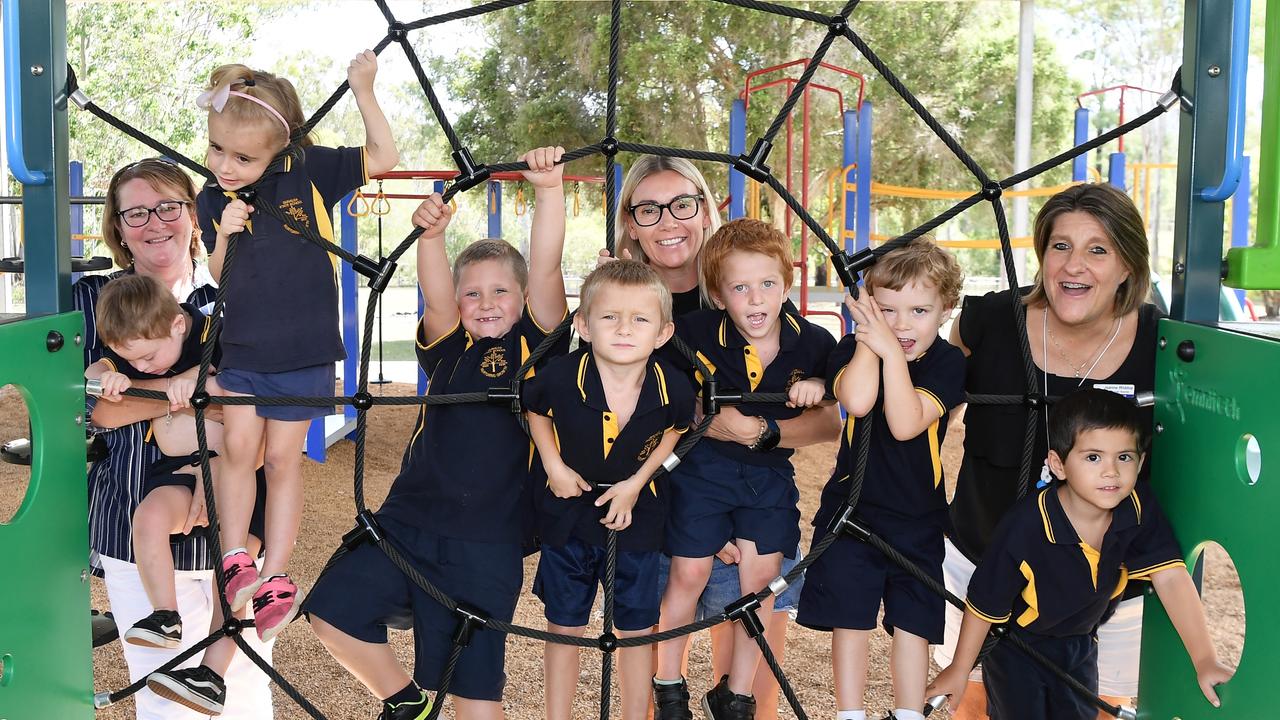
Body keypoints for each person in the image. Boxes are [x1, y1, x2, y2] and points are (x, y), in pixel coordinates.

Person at [307, 146, 568, 720]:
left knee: (476, 701)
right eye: (471, 292)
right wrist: (431, 237)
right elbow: (435, 292)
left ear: (524, 300)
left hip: (487, 543)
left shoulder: (538, 348)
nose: (486, 303)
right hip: (409, 524)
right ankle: (405, 701)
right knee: (330, 612)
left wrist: (549, 191)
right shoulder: (450, 349)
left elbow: (545, 267)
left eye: (501, 291)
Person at [613, 157, 834, 720]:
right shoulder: (628, 305)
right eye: (649, 208)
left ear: (706, 210)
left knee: (752, 673)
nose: (669, 221)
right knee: (654, 657)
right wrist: (703, 524)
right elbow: (624, 417)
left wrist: (762, 431)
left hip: (755, 492)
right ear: (629, 222)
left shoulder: (755, 306)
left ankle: (731, 694)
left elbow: (834, 420)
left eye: (683, 204)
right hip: (670, 502)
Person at [935, 183, 1165, 719]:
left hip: (1106, 590)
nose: (1073, 265)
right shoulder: (987, 321)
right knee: (975, 703)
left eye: (1097, 249)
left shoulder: (1159, 342)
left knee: (1096, 707)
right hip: (983, 564)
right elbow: (924, 412)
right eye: (1060, 246)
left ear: (1129, 265)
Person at [195, 51, 399, 643]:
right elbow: (216, 271)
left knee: (284, 461)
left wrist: (362, 88)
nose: (225, 166)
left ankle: (276, 575)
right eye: (216, 150)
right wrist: (224, 233)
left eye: (242, 157)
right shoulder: (213, 198)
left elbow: (384, 157)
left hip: (305, 352)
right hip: (243, 349)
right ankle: (235, 556)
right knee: (238, 451)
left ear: (278, 151)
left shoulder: (309, 171)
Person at [74, 157, 273, 719]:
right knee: (161, 697)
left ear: (193, 215)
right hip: (135, 516)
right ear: (116, 227)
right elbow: (97, 412)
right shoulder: (96, 301)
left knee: (243, 688)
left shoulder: (231, 296)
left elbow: (263, 407)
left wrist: (221, 471)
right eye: (134, 212)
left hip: (234, 513)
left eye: (168, 206)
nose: (154, 222)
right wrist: (183, 386)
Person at [927, 389, 1233, 718]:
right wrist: (960, 669)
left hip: (1080, 643)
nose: (1111, 471)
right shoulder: (1026, 526)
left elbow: (1170, 576)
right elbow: (985, 602)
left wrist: (1204, 659)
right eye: (1093, 457)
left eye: (1124, 457)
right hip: (1018, 646)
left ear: (1141, 461)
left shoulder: (1137, 507)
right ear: (1058, 464)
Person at [797, 240, 965, 720]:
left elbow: (906, 422)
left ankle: (908, 712)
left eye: (918, 310)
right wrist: (873, 343)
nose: (901, 323)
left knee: (914, 620)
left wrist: (890, 351)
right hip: (852, 508)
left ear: (945, 310)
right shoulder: (855, 349)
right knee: (850, 618)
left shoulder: (947, 363)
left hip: (918, 516)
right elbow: (860, 399)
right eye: (886, 309)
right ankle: (850, 712)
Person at [525, 260, 696, 720]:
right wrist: (553, 464)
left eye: (640, 319)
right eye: (609, 317)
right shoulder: (562, 374)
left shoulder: (673, 386)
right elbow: (535, 409)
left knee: (636, 630)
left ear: (662, 332)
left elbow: (676, 431)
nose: (624, 329)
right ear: (583, 325)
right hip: (569, 515)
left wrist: (637, 484)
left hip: (638, 517)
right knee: (565, 625)